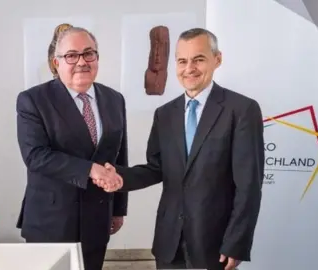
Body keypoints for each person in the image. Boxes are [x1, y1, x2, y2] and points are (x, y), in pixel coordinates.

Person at [97, 28, 265, 270]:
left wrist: (236, 243)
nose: (189, 68)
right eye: (182, 61)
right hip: (169, 242)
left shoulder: (241, 110)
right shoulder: (164, 114)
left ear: (217, 59)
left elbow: (249, 186)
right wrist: (119, 177)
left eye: (198, 59)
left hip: (215, 244)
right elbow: (156, 169)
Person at [16, 26, 127, 270]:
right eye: (71, 55)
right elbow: (35, 156)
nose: (81, 62)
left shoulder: (115, 99)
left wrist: (118, 208)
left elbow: (119, 157)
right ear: (56, 62)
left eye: (89, 54)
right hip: (51, 222)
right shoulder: (33, 100)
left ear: (97, 58)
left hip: (97, 218)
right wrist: (90, 170)